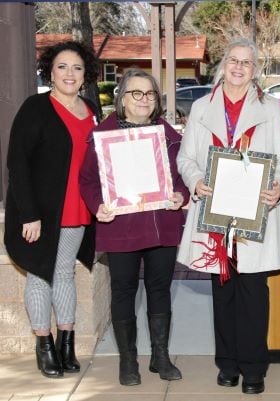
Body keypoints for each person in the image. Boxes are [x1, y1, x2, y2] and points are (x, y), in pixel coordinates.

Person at [176, 38, 280, 395]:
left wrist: (279, 186)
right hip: (214, 212)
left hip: (255, 212)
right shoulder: (200, 108)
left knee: (253, 293)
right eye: (233, 60)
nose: (239, 67)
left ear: (255, 69)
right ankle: (227, 364)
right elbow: (186, 159)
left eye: (246, 62)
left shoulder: (271, 108)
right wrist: (196, 181)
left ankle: (254, 368)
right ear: (222, 65)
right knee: (223, 290)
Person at [79, 68, 189, 386]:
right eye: (136, 93)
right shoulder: (102, 136)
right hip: (121, 227)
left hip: (161, 225)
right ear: (122, 99)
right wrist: (98, 204)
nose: (144, 99)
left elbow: (181, 175)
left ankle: (160, 356)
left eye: (150, 93)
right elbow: (87, 179)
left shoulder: (169, 135)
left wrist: (179, 194)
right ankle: (128, 361)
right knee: (124, 291)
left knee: (159, 290)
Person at [4, 41, 98, 378]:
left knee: (63, 273)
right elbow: (18, 163)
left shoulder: (90, 110)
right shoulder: (36, 107)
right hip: (40, 214)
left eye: (76, 67)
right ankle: (44, 344)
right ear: (50, 71)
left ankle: (66, 342)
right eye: (62, 67)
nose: (69, 74)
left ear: (86, 73)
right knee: (40, 273)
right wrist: (28, 214)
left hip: (77, 210)